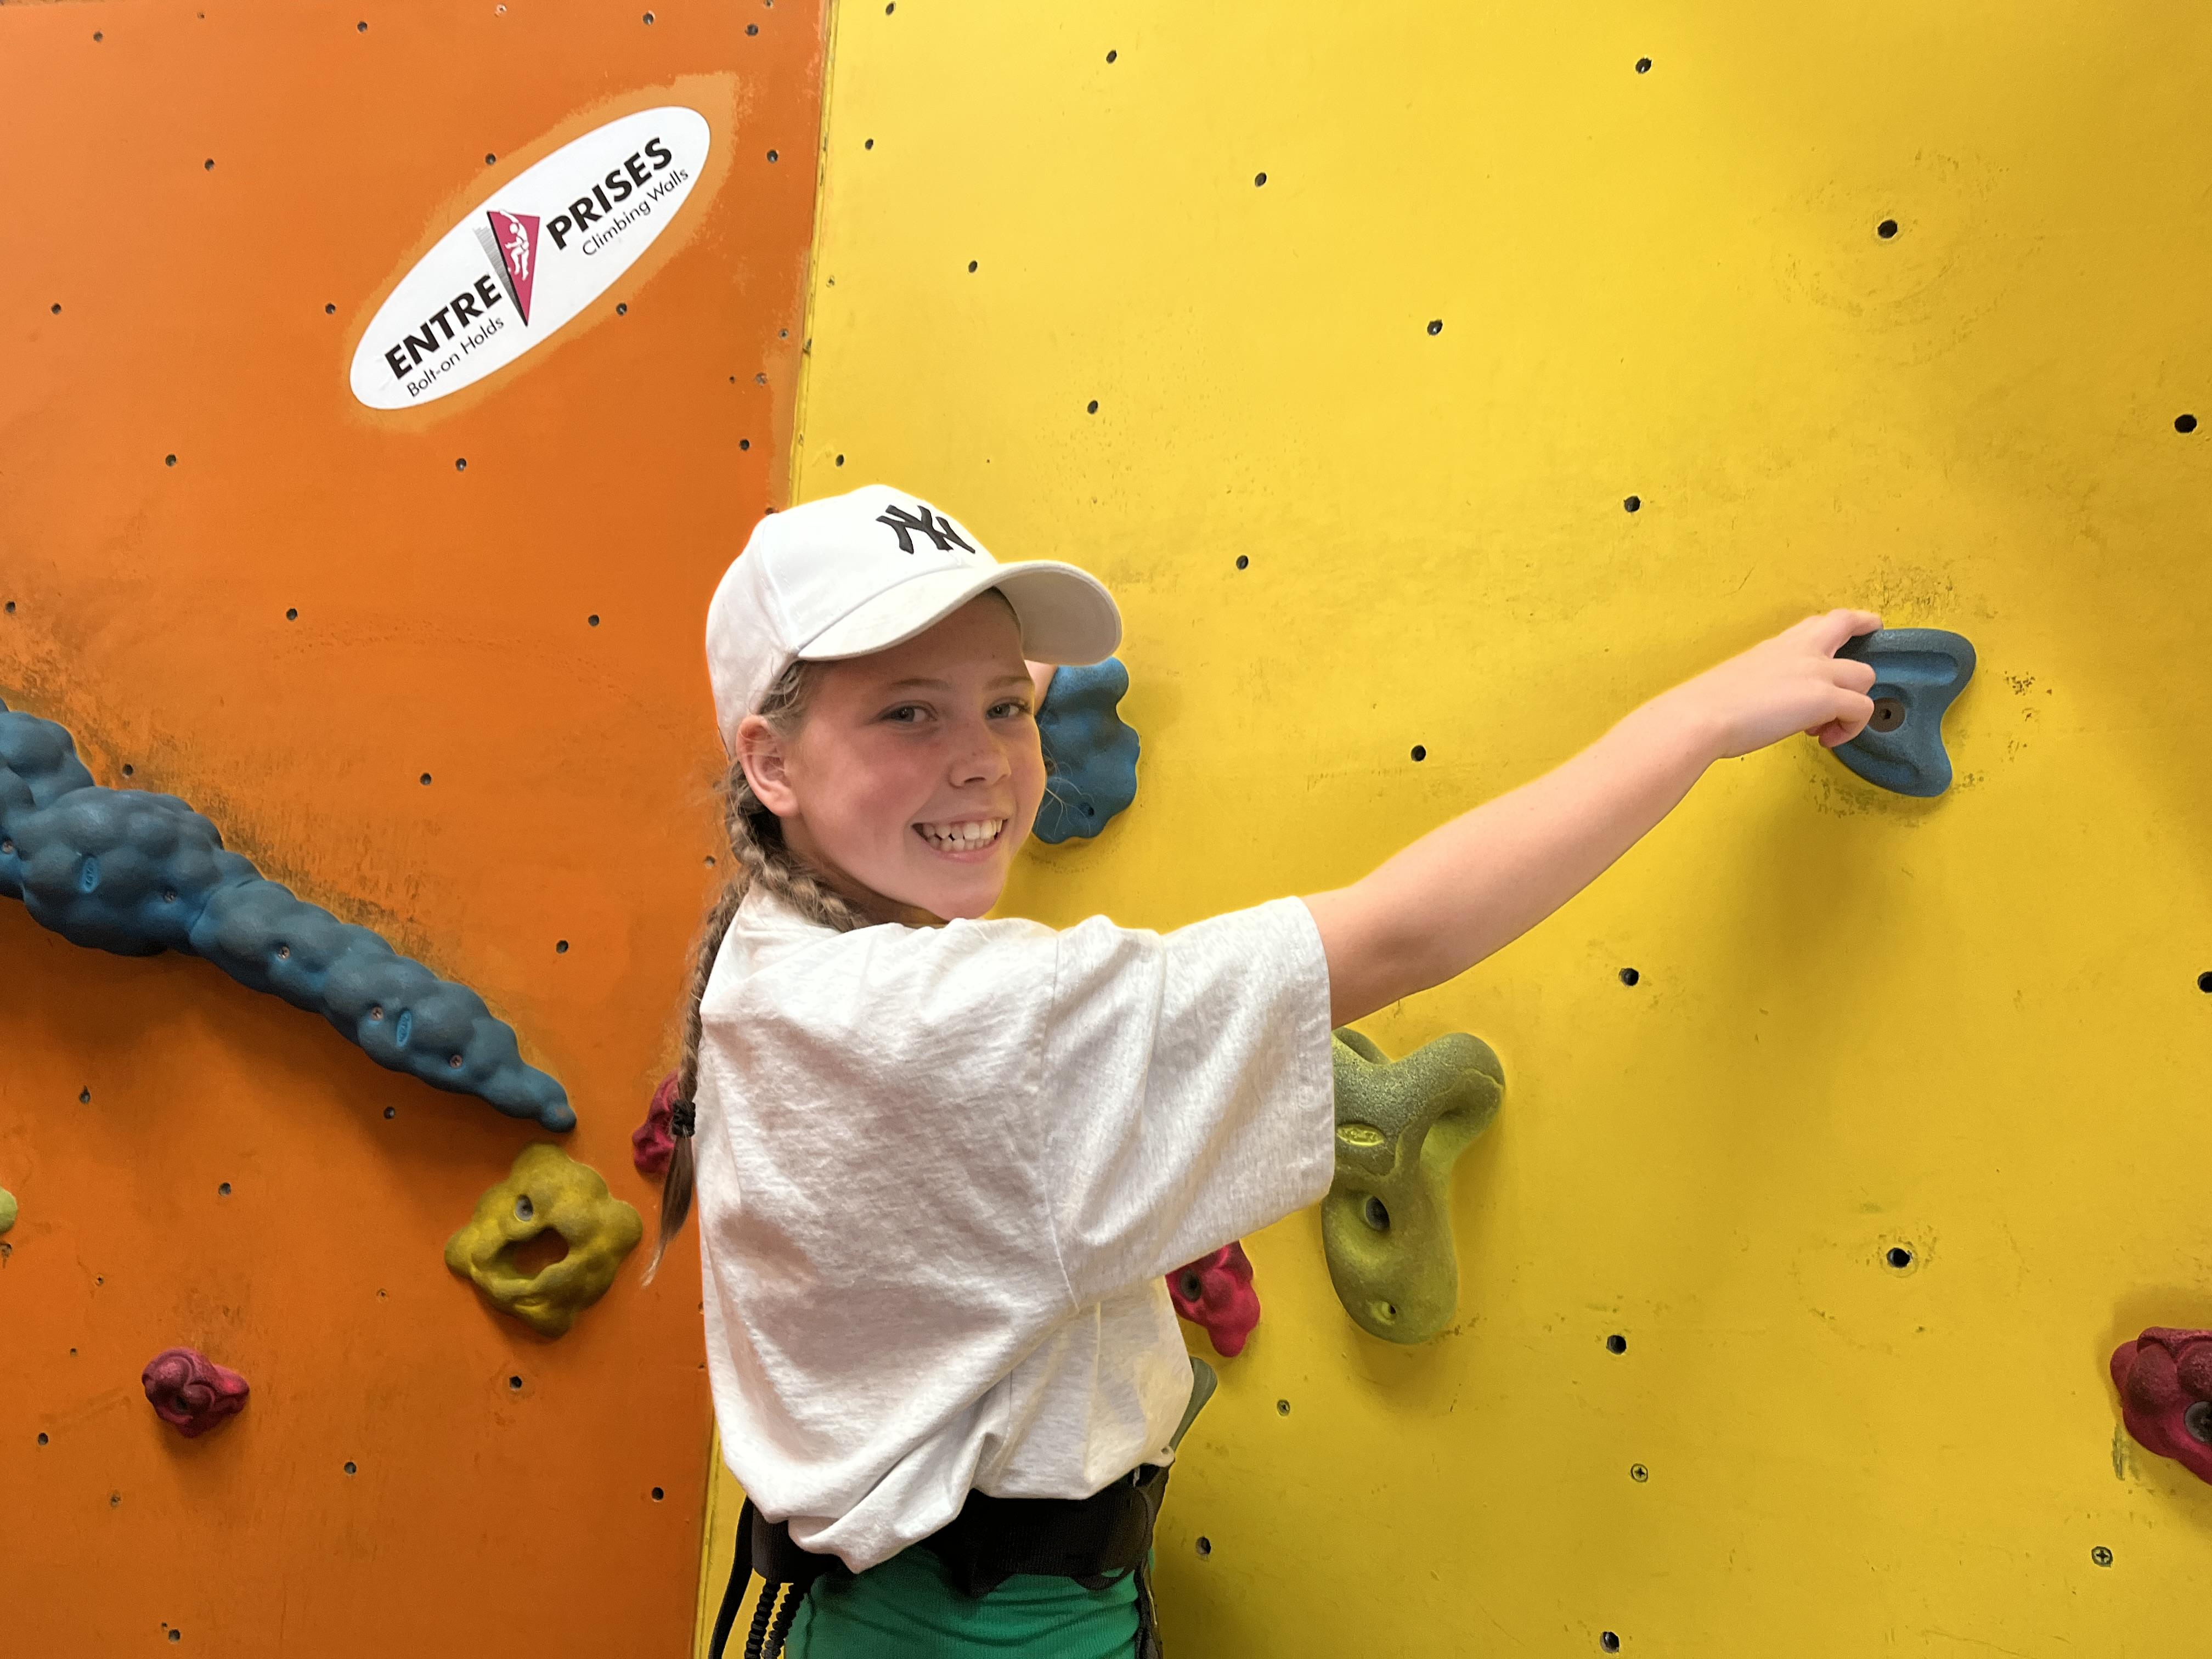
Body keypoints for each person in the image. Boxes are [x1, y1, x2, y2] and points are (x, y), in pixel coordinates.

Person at [651, 483, 1881, 1657]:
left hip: (886, 1612)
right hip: (994, 1639)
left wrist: (941, 712)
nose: (981, 760)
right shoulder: (943, 1026)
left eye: (1005, 706)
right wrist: (1702, 719)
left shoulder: (779, 951)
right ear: (771, 763)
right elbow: (1401, 935)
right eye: (908, 714)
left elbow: (929, 764)